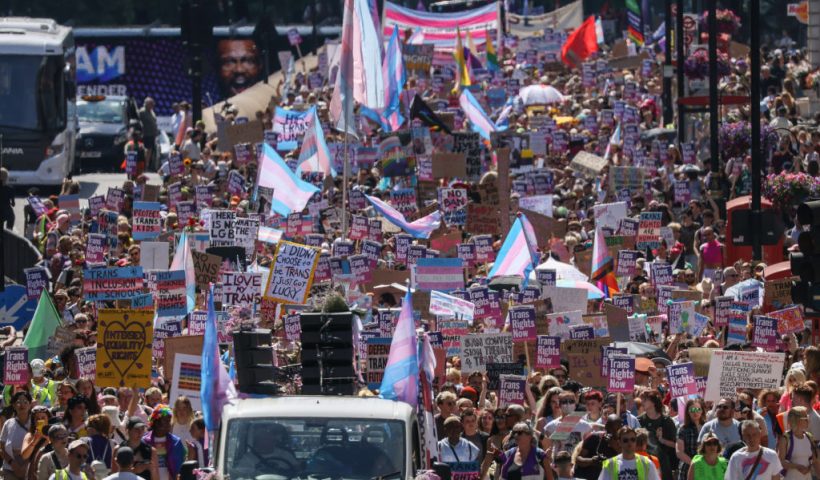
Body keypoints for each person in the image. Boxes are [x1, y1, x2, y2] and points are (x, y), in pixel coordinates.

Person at [482, 422, 553, 480]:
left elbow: (550, 478)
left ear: (530, 436)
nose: (516, 435)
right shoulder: (508, 455)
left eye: (519, 433)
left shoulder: (540, 455)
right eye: (514, 433)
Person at [637, 390, 676, 479]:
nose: (642, 402)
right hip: (644, 463)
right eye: (642, 399)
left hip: (663, 465)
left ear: (654, 402)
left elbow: (675, 445)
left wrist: (662, 440)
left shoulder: (667, 421)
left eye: (645, 399)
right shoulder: (639, 421)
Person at [141, 406, 186, 480]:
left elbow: (180, 467)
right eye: (166, 421)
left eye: (169, 421)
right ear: (156, 422)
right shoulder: (144, 441)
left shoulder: (176, 442)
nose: (169, 424)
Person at [574, 415, 622, 480]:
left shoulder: (624, 441)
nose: (613, 432)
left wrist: (615, 447)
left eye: (616, 430)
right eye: (611, 429)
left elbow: (628, 461)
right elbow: (578, 459)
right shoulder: (595, 437)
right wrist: (592, 461)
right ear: (606, 426)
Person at [776, 407, 818, 479]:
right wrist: (797, 466)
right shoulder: (785, 438)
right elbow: (780, 462)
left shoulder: (809, 437)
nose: (808, 420)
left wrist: (810, 467)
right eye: (805, 418)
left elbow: (815, 461)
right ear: (797, 421)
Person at [1, 392, 33, 480]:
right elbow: (2, 448)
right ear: (14, 406)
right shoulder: (8, 423)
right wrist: (13, 464)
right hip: (10, 468)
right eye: (18, 402)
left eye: (25, 402)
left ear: (30, 405)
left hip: (31, 467)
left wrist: (25, 465)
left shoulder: (35, 423)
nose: (22, 405)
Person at [676, 398, 705, 480]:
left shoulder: (707, 427)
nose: (695, 412)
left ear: (702, 411)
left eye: (698, 409)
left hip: (705, 468)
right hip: (687, 468)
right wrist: (694, 464)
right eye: (692, 409)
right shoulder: (683, 429)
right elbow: (679, 452)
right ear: (688, 412)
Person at [138, 98, 158, 170]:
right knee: (146, 150)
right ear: (146, 104)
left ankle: (147, 165)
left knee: (150, 150)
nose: (152, 105)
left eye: (153, 104)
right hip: (146, 134)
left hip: (152, 134)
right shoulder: (142, 112)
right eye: (151, 104)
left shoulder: (152, 112)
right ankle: (144, 165)